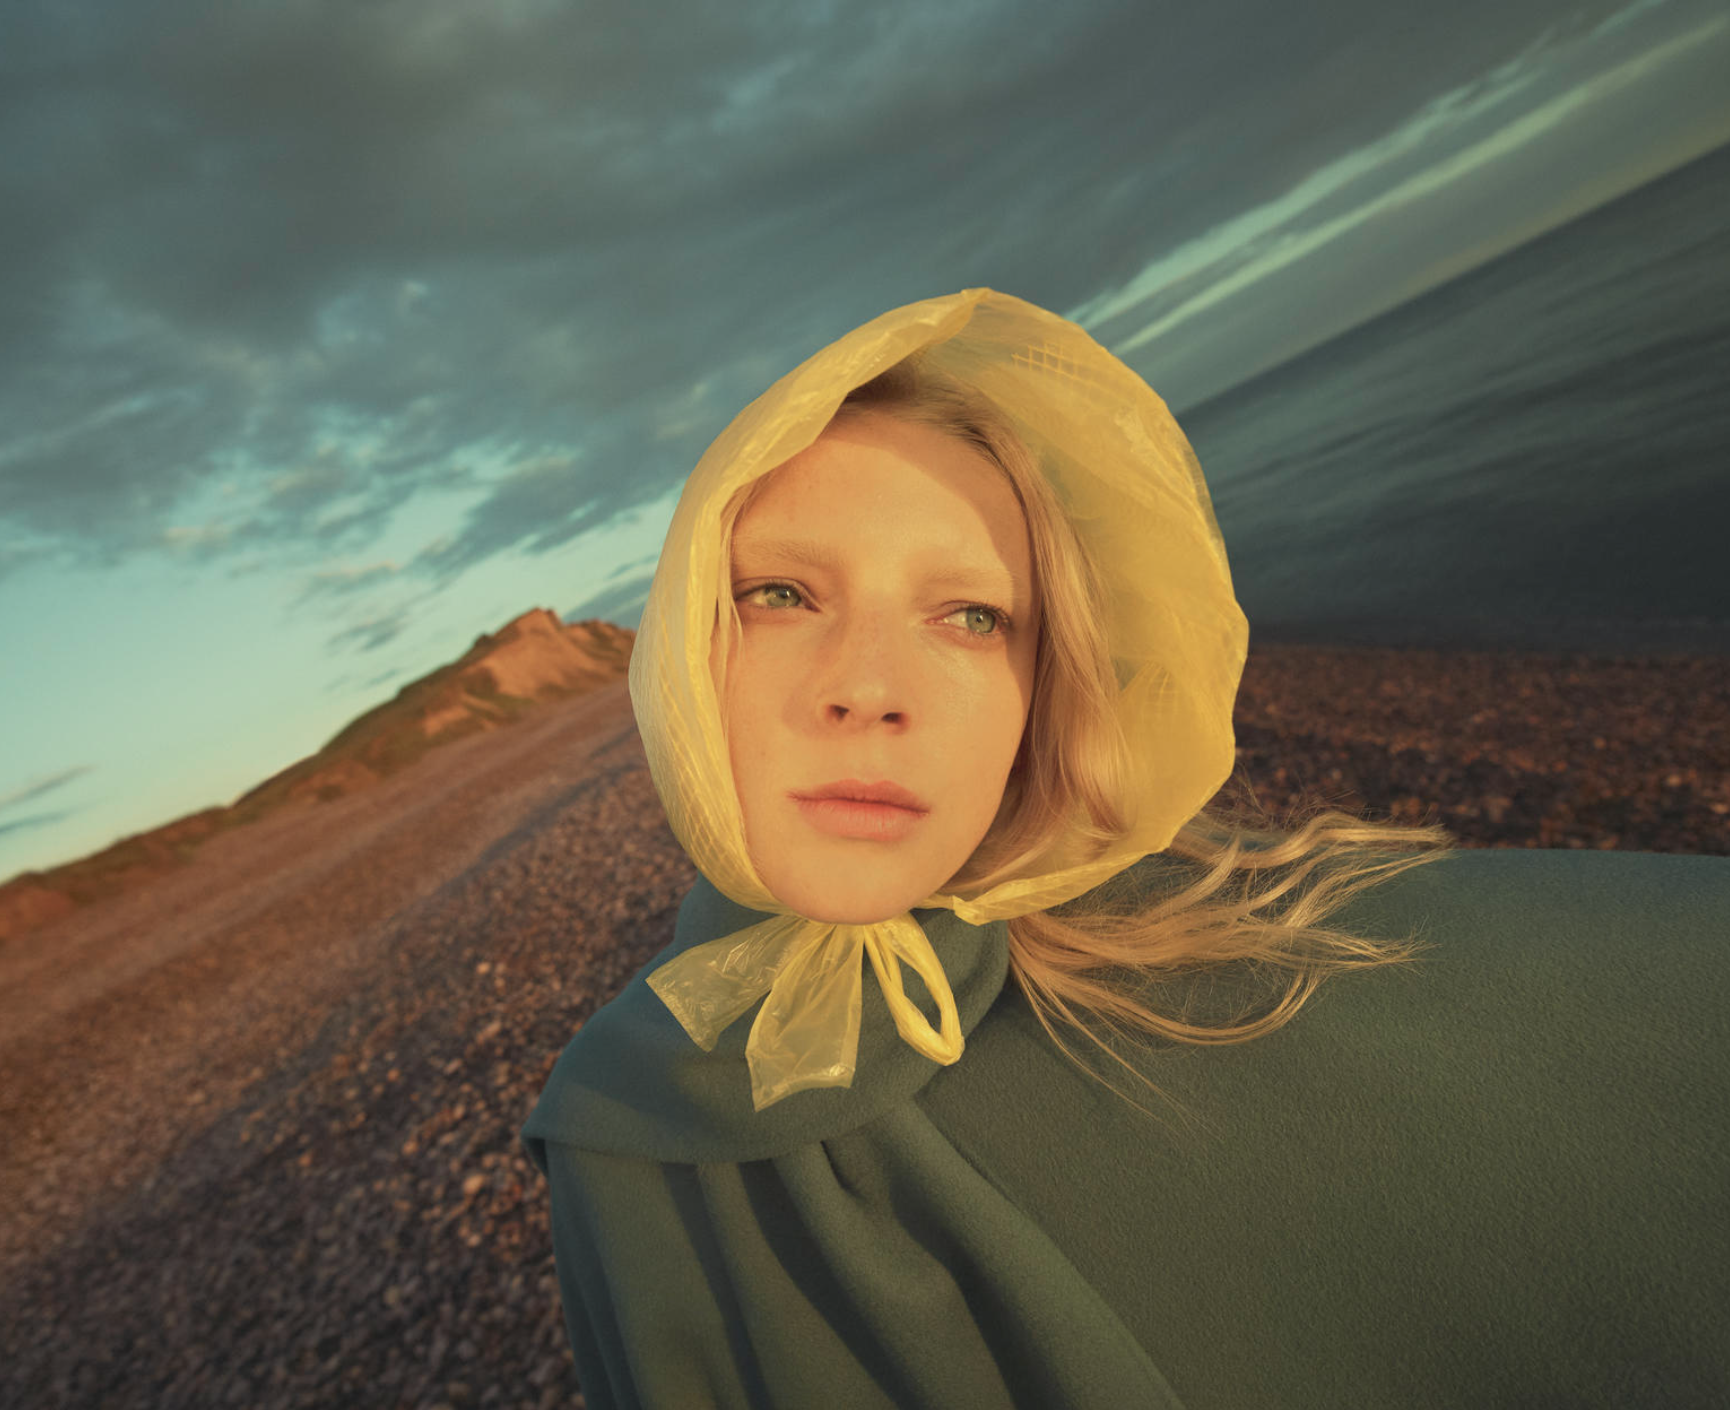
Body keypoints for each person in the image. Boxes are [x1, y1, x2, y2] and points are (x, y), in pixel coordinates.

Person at [521, 288, 1730, 1409]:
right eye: (778, 595)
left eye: (970, 616)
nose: (869, 688)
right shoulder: (609, 1135)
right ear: (678, 652)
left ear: (1036, 695)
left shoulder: (1234, 962)